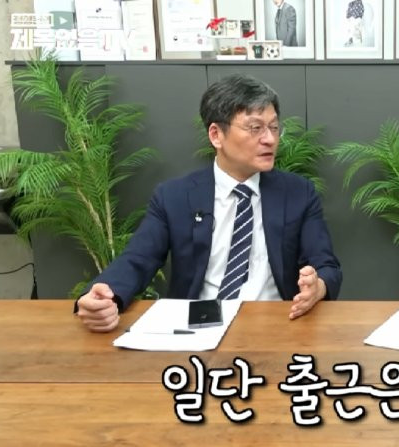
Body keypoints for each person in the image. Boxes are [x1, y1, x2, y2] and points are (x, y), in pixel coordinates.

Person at [75, 75, 342, 332]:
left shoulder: (297, 193)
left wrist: (317, 287)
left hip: (276, 324)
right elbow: (137, 259)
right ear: (216, 135)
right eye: (255, 128)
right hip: (197, 325)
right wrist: (103, 296)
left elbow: (326, 266)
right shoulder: (174, 196)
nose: (270, 139)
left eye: (273, 127)